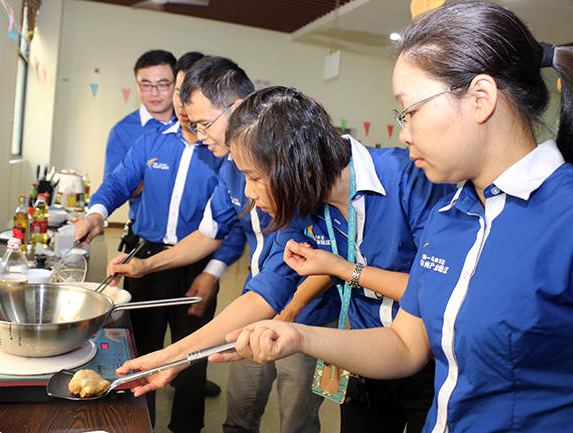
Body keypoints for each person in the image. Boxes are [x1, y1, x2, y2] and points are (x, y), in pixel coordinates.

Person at [215, 2, 573, 432]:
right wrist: (298, 336)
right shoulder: (451, 216)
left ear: (481, 99)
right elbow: (405, 346)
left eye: (411, 111)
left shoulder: (562, 215)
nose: (403, 133)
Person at [108, 56, 340, 433]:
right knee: (240, 411)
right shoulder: (231, 169)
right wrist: (146, 266)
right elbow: (208, 235)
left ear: (235, 108)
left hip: (307, 313)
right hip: (257, 306)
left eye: (203, 124)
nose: (199, 136)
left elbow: (285, 277)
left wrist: (177, 355)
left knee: (296, 418)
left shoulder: (288, 172)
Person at [215, 85, 454, 433]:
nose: (249, 192)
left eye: (253, 177)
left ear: (296, 166)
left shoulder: (408, 180)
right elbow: (267, 287)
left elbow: (430, 290)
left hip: (431, 365)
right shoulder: (303, 201)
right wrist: (171, 357)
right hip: (362, 356)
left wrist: (342, 269)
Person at [75, 51, 228, 433]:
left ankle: (185, 428)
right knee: (140, 351)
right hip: (143, 259)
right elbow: (117, 183)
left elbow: (227, 227)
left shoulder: (223, 153)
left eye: (186, 92)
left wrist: (211, 272)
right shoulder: (150, 140)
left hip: (196, 264)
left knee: (191, 357)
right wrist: (97, 212)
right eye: (177, 91)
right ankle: (139, 425)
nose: (180, 101)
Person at [105, 49, 177, 253]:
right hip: (144, 239)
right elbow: (117, 186)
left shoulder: (193, 127)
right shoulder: (122, 131)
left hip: (193, 240)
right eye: (146, 85)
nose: (154, 93)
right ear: (136, 85)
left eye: (163, 85)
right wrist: (162, 173)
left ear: (177, 83)